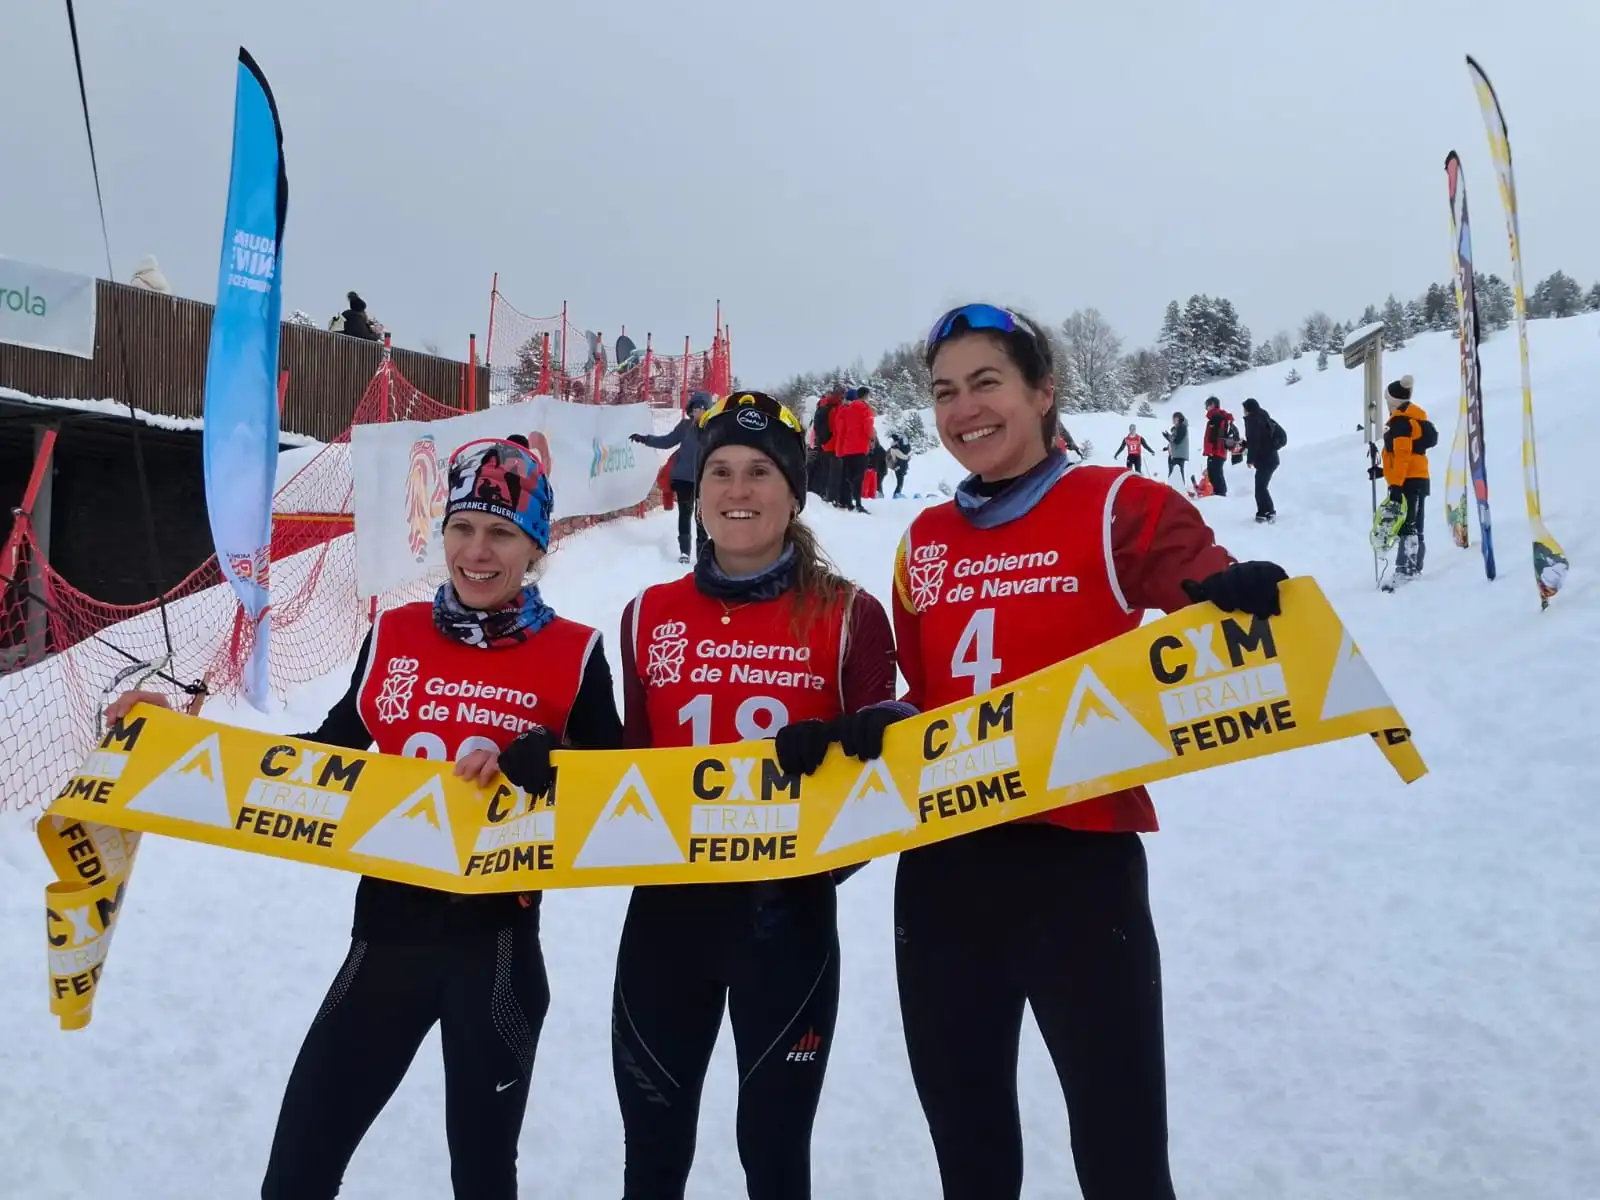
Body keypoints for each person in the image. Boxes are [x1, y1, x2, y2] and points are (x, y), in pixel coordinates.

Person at [779, 304, 1287, 1200]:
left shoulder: (1120, 504)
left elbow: (1203, 597)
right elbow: (933, 695)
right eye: (945, 392)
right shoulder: (924, 541)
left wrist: (1232, 602)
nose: (963, 409)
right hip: (945, 875)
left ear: (1044, 390)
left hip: (1078, 868)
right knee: (971, 1159)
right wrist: (881, 723)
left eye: (987, 383)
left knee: (1123, 1160)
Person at [107, 435, 623, 1199]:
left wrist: (554, 756)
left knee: (483, 1178)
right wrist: (174, 738)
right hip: (385, 939)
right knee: (296, 1174)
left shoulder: (575, 653)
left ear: (535, 547)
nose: (477, 551)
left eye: (502, 532)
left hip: (496, 955)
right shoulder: (396, 633)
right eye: (462, 527)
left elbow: (620, 795)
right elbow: (322, 757)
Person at [611, 391, 900, 1200]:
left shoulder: (850, 614)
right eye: (721, 472)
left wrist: (858, 747)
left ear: (794, 491)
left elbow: (889, 772)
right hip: (666, 922)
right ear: (697, 488)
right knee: (652, 1157)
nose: (738, 490)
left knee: (773, 1156)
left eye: (761, 472)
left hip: (787, 924)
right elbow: (626, 773)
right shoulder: (645, 617)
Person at [632, 391, 714, 563]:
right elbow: (667, 441)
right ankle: (684, 551)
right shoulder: (685, 427)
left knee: (701, 516)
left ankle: (702, 552)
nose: (698, 412)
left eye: (702, 409)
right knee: (685, 513)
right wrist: (645, 439)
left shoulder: (713, 429)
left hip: (705, 480)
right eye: (695, 409)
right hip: (684, 478)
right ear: (691, 411)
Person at [1369, 374, 1433, 585]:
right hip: (1416, 478)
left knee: (1408, 525)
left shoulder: (1401, 423)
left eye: (1387, 399)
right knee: (1412, 524)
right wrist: (1383, 472)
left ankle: (1407, 571)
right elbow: (1403, 456)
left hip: (1408, 480)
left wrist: (1396, 485)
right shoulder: (1412, 419)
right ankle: (1410, 567)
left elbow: (1403, 456)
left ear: (1393, 401)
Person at [1240, 397, 1282, 523]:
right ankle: (1263, 512)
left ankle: (1269, 512)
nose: (1243, 411)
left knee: (1261, 487)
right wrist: (1244, 444)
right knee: (1260, 486)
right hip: (1270, 458)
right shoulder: (1262, 417)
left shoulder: (1253, 421)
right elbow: (1260, 440)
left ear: (1249, 410)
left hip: (1266, 460)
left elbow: (1255, 442)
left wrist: (1250, 459)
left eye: (1244, 409)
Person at [1201, 396, 1235, 496]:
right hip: (1219, 451)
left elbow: (1214, 436)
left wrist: (1212, 450)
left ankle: (1219, 495)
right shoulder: (1221, 417)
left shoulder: (1216, 417)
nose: (1206, 408)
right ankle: (1218, 494)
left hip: (1216, 451)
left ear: (1212, 405)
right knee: (1215, 473)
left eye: (1207, 406)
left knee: (1215, 474)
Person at [1161, 412, 1189, 487]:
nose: (1173, 420)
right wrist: (1168, 439)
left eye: (1174, 418)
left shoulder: (1182, 427)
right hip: (1175, 453)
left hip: (1179, 454)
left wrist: (1168, 436)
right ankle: (1172, 488)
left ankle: (1179, 489)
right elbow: (1174, 441)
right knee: (1173, 472)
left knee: (1177, 473)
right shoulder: (1179, 427)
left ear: (1178, 419)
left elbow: (1177, 440)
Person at [886, 431, 911, 497]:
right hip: (898, 467)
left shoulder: (895, 448)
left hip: (900, 467)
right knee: (900, 483)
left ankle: (897, 494)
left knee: (900, 482)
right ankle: (896, 495)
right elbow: (903, 457)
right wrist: (908, 457)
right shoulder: (894, 449)